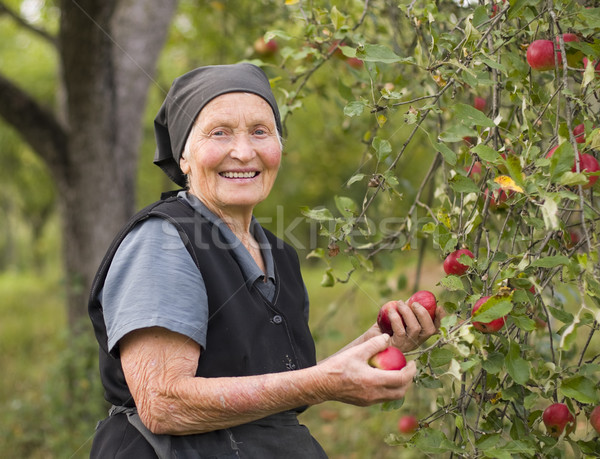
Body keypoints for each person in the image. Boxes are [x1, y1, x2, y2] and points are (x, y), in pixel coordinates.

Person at [88, 62, 440, 458]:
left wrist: (378, 344)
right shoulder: (163, 241)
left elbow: (285, 385)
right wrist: (325, 382)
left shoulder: (279, 254)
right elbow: (164, 403)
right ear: (183, 157)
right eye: (219, 133)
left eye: (260, 131)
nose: (243, 152)